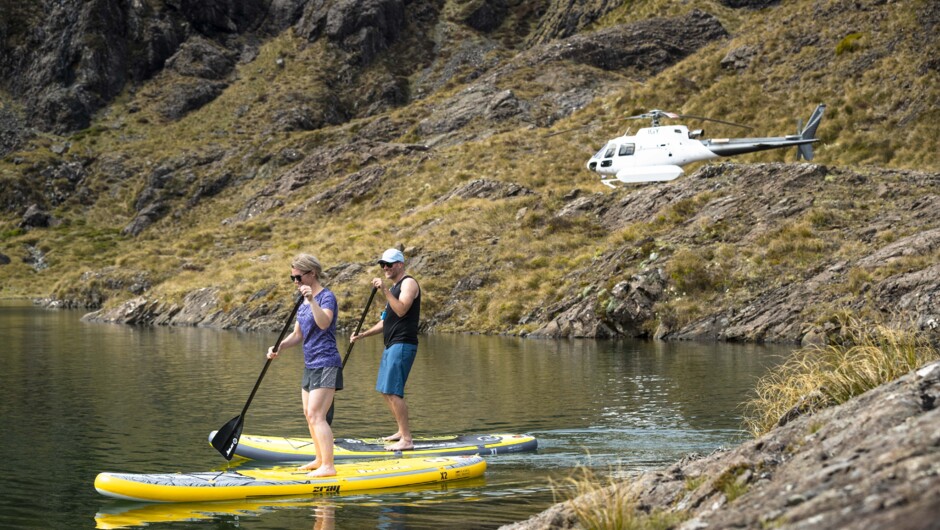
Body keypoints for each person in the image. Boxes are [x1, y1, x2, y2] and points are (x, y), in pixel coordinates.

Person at [266, 254, 341, 476]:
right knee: (309, 415)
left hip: (328, 363)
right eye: (293, 278)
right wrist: (279, 346)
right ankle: (319, 459)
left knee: (317, 415)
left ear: (312, 274)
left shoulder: (326, 297)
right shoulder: (302, 302)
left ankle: (329, 466)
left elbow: (324, 323)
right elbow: (298, 334)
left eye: (298, 277)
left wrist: (312, 301)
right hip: (310, 364)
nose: (296, 282)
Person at [350, 248, 421, 451]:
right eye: (382, 265)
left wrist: (384, 291)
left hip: (403, 343)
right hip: (391, 344)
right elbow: (386, 322)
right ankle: (401, 431)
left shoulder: (408, 283)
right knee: (385, 390)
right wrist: (363, 335)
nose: (385, 268)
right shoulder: (395, 287)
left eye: (389, 264)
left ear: (400, 264)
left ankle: (407, 439)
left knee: (393, 391)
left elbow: (401, 310)